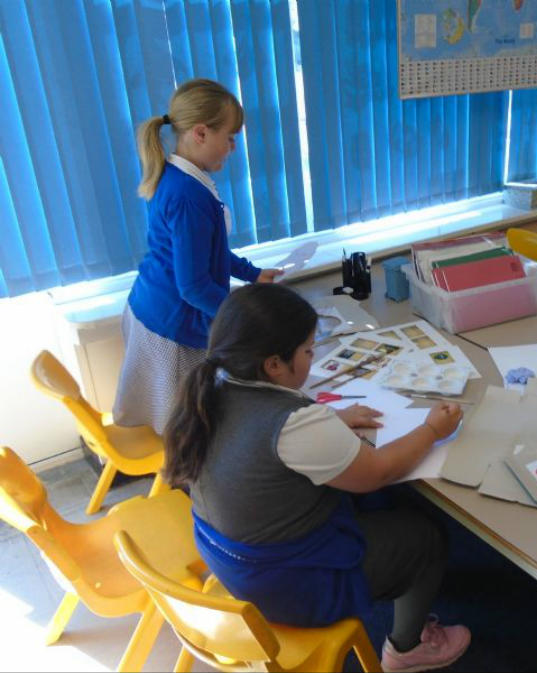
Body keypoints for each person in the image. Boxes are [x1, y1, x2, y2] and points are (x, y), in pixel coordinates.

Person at [162, 283, 471, 672]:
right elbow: (378, 472)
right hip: (285, 586)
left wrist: (330, 421)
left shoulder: (214, 386)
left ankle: (401, 584)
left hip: (229, 558)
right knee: (426, 535)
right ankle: (406, 650)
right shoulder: (293, 425)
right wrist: (432, 430)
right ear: (274, 365)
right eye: (308, 351)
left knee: (373, 502)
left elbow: (262, 438)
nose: (313, 357)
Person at [113, 78, 283, 434]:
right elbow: (192, 287)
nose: (233, 148)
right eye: (230, 138)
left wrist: (251, 274)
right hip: (170, 324)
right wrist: (240, 317)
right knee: (188, 426)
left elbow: (208, 250)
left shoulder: (182, 177)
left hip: (154, 305)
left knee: (193, 417)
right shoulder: (188, 194)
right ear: (201, 133)